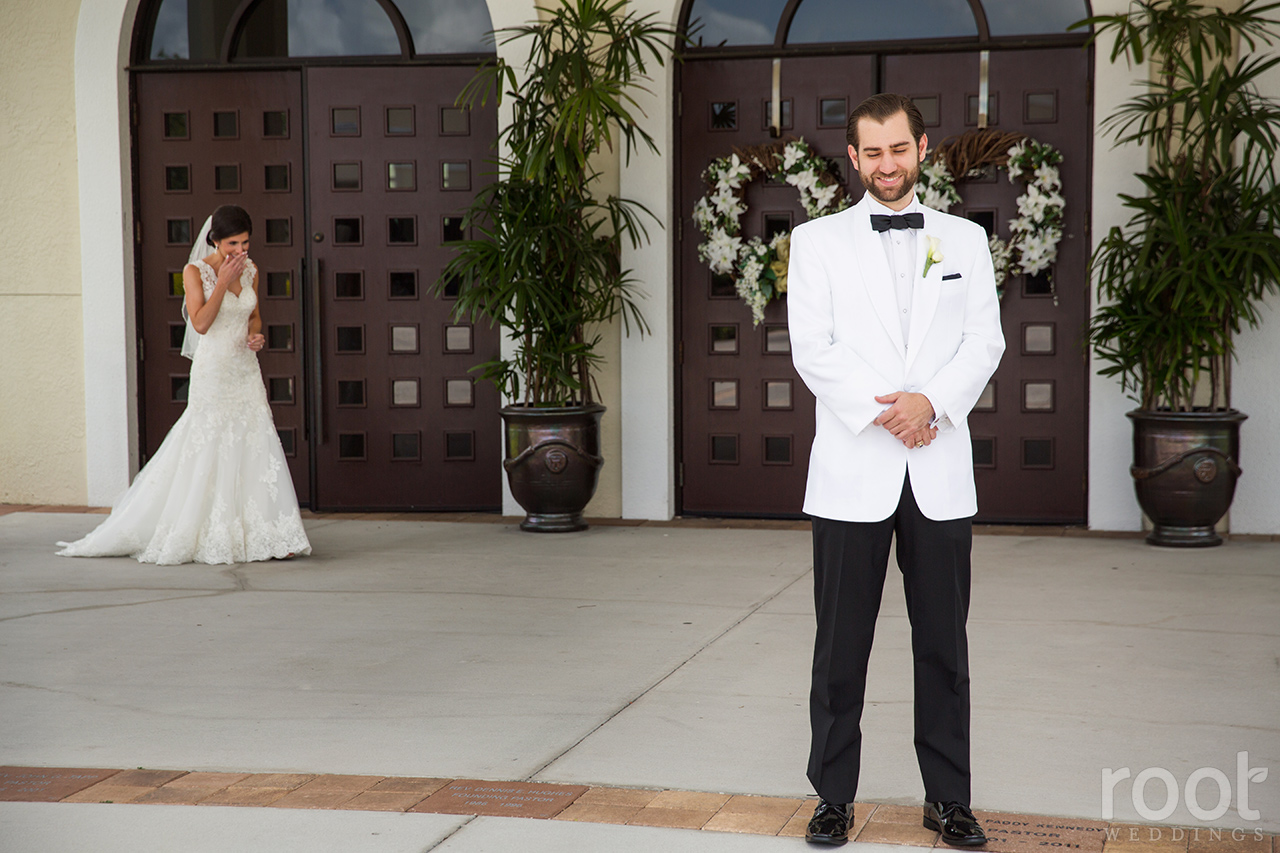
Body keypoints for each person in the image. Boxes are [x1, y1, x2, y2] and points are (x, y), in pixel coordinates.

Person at [787, 94, 1005, 846]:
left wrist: (932, 405)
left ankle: (948, 798)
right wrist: (890, 412)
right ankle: (832, 796)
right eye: (872, 152)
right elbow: (813, 348)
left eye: (899, 149)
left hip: (938, 470)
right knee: (839, 648)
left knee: (945, 647)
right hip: (854, 469)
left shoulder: (966, 240)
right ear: (854, 158)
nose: (887, 164)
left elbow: (985, 342)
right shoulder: (816, 243)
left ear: (922, 148)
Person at [58, 205, 310, 565]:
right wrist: (222, 281)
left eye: (245, 244)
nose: (240, 252)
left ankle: (269, 533)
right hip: (214, 371)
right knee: (207, 443)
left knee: (257, 440)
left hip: (244, 369)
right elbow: (202, 324)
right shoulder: (194, 272)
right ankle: (206, 530)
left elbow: (253, 315)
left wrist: (257, 336)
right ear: (215, 241)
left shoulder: (251, 269)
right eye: (233, 244)